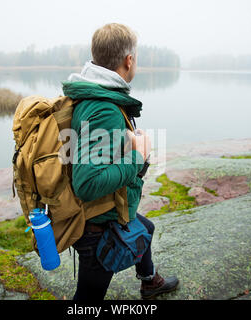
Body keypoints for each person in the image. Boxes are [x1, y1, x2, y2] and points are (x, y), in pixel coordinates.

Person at [62, 23, 179, 301]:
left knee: (146, 228)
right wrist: (137, 157)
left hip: (103, 215)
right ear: (129, 61)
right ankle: (149, 282)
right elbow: (87, 184)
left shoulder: (94, 93)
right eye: (135, 58)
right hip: (97, 230)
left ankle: (149, 281)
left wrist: (128, 143)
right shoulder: (103, 108)